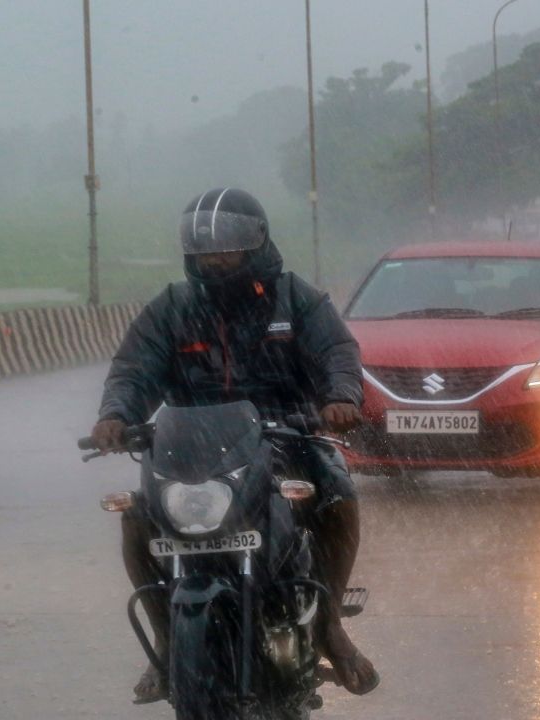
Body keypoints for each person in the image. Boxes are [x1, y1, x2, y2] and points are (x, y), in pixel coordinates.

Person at [88, 187, 380, 702]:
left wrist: (339, 396)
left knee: (338, 494)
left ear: (256, 243)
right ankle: (164, 644)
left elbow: (336, 351)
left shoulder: (296, 299)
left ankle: (330, 625)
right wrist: (116, 414)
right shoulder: (173, 308)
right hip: (190, 448)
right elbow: (134, 369)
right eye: (202, 248)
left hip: (288, 436)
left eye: (225, 246)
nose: (212, 257)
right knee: (137, 517)